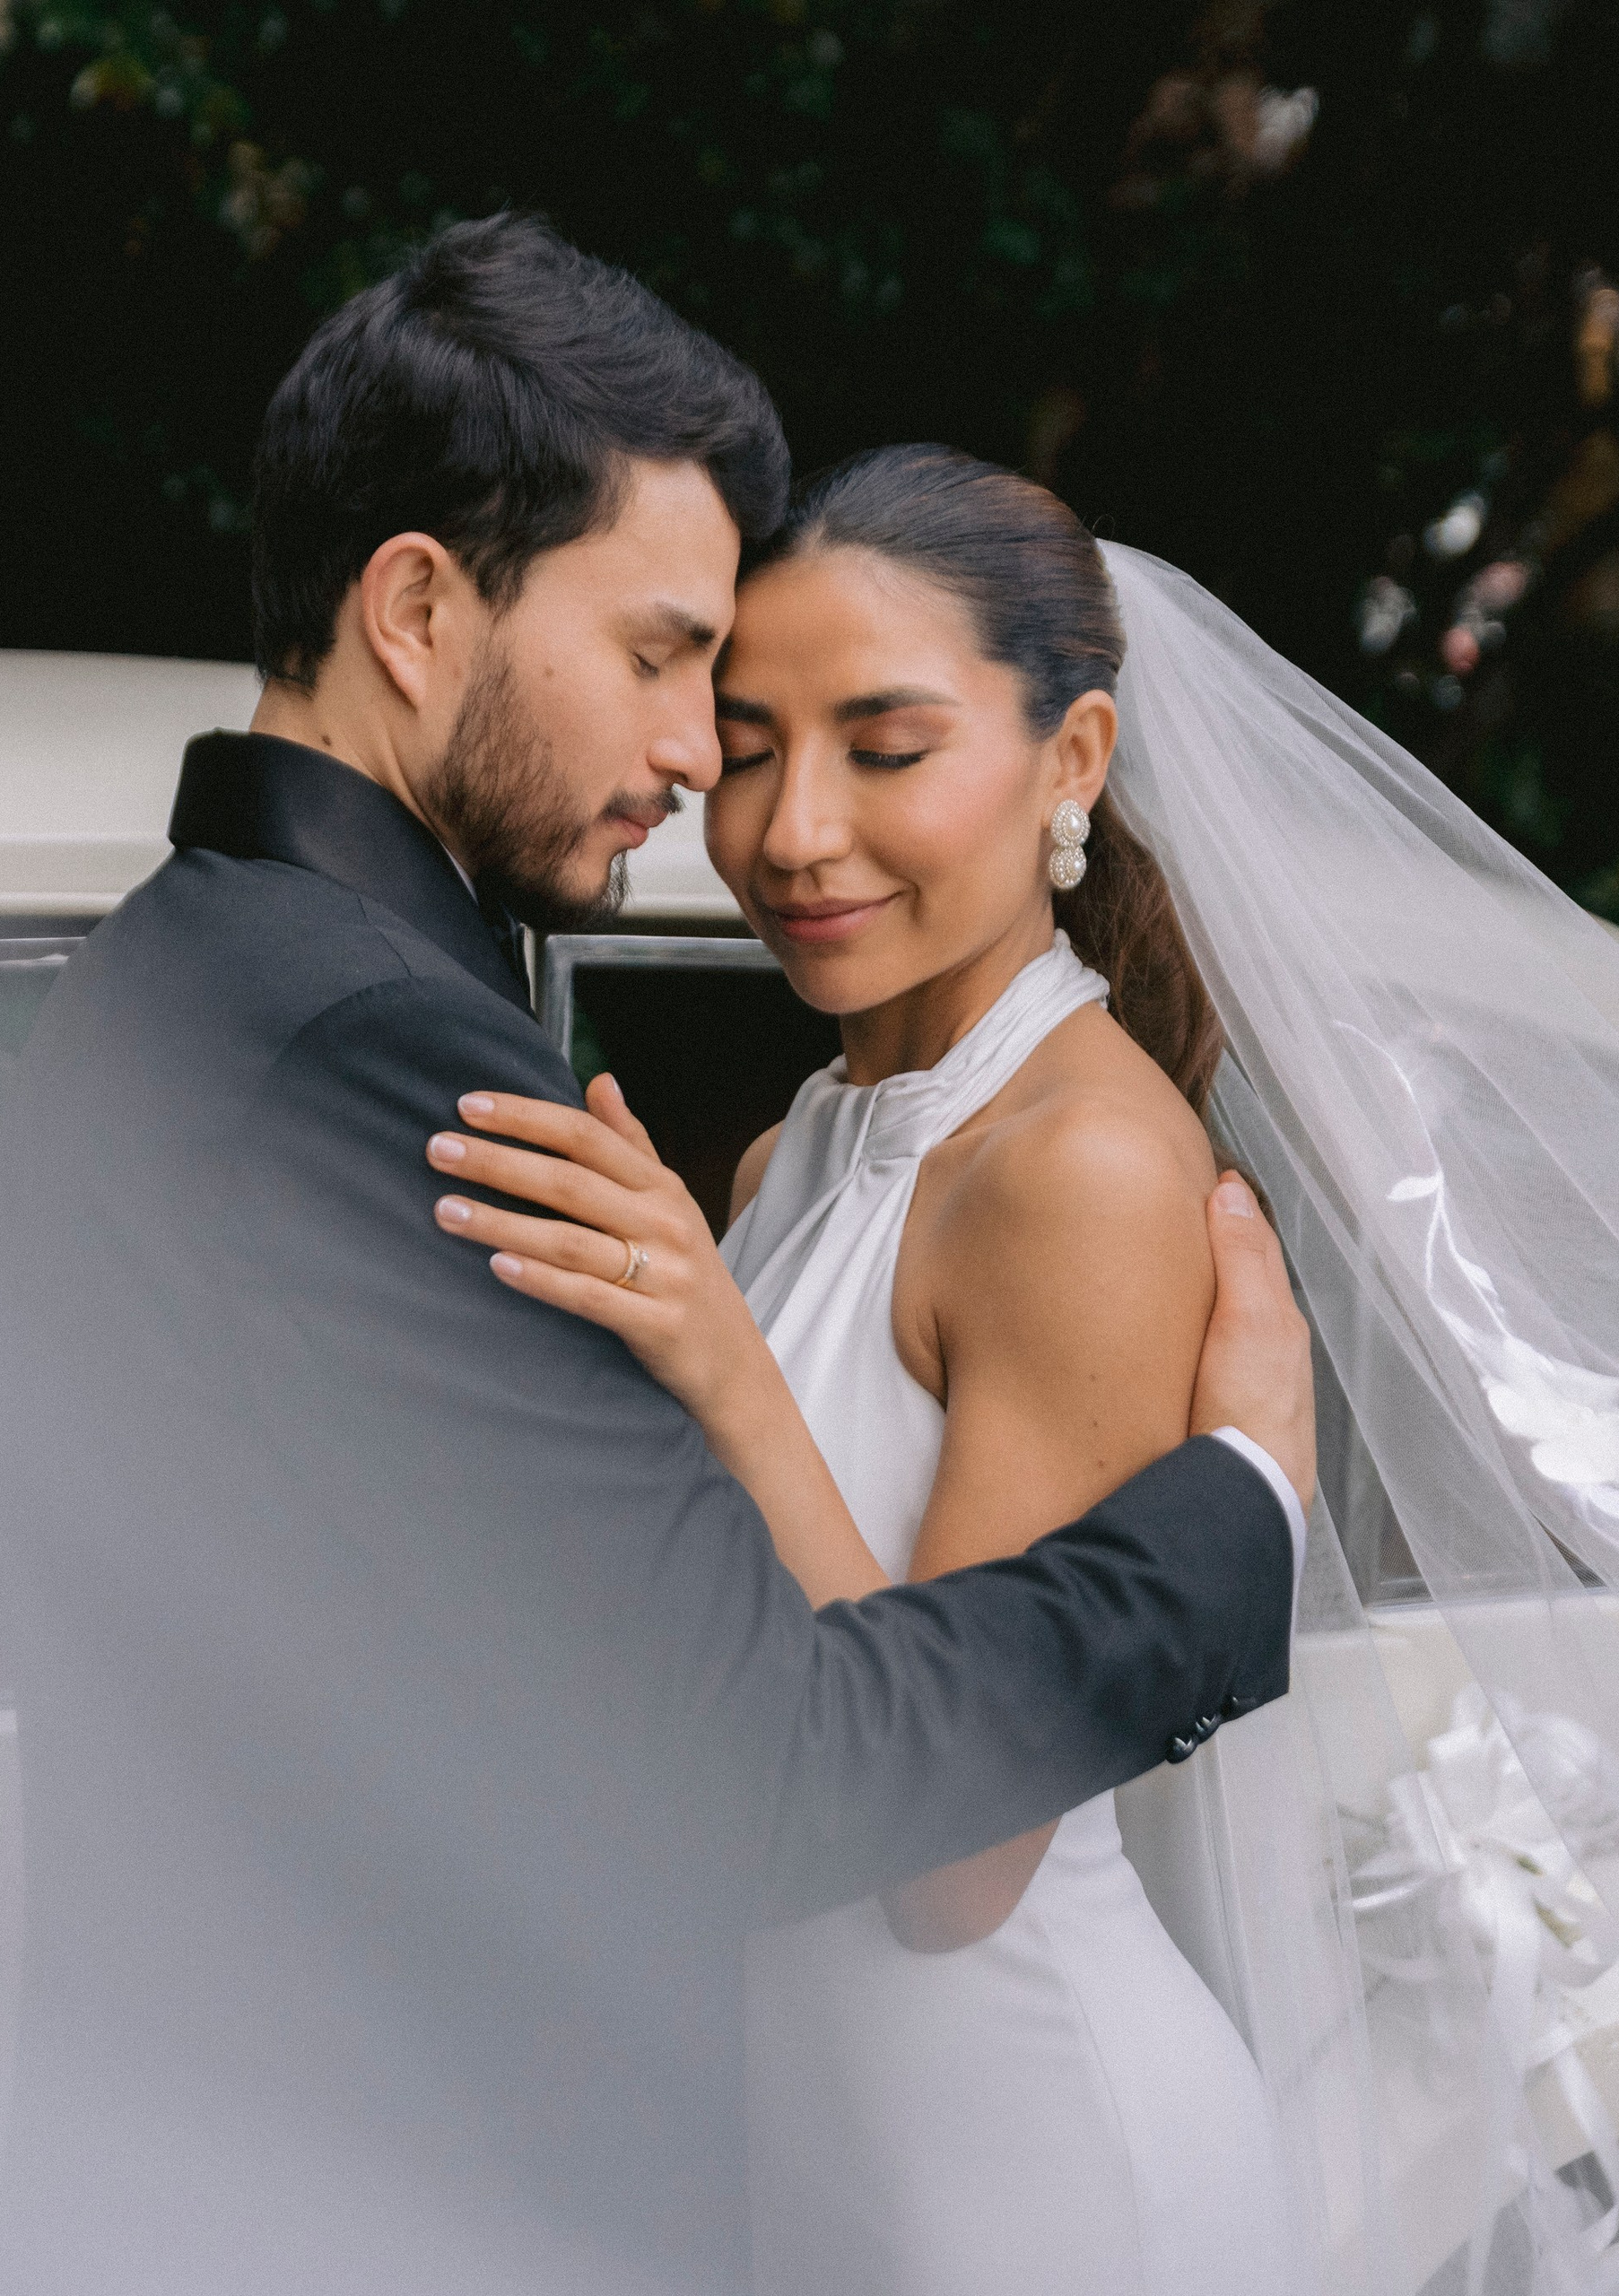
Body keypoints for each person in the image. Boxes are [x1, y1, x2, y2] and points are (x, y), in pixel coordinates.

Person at [0, 219, 1311, 2296]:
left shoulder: (185, 968)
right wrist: (1231, 1525)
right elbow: (764, 1752)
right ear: (418, 608)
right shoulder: (378, 1046)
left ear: (1067, 765)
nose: (714, 773)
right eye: (667, 657)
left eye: (851, 732)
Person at [431, 444, 1306, 2293]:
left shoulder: (1074, 1165)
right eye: (745, 745)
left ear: (1069, 762)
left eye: (882, 747)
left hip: (1039, 2178)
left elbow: (952, 1858)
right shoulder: (796, 1146)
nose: (787, 827)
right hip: (827, 2159)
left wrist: (715, 1355)